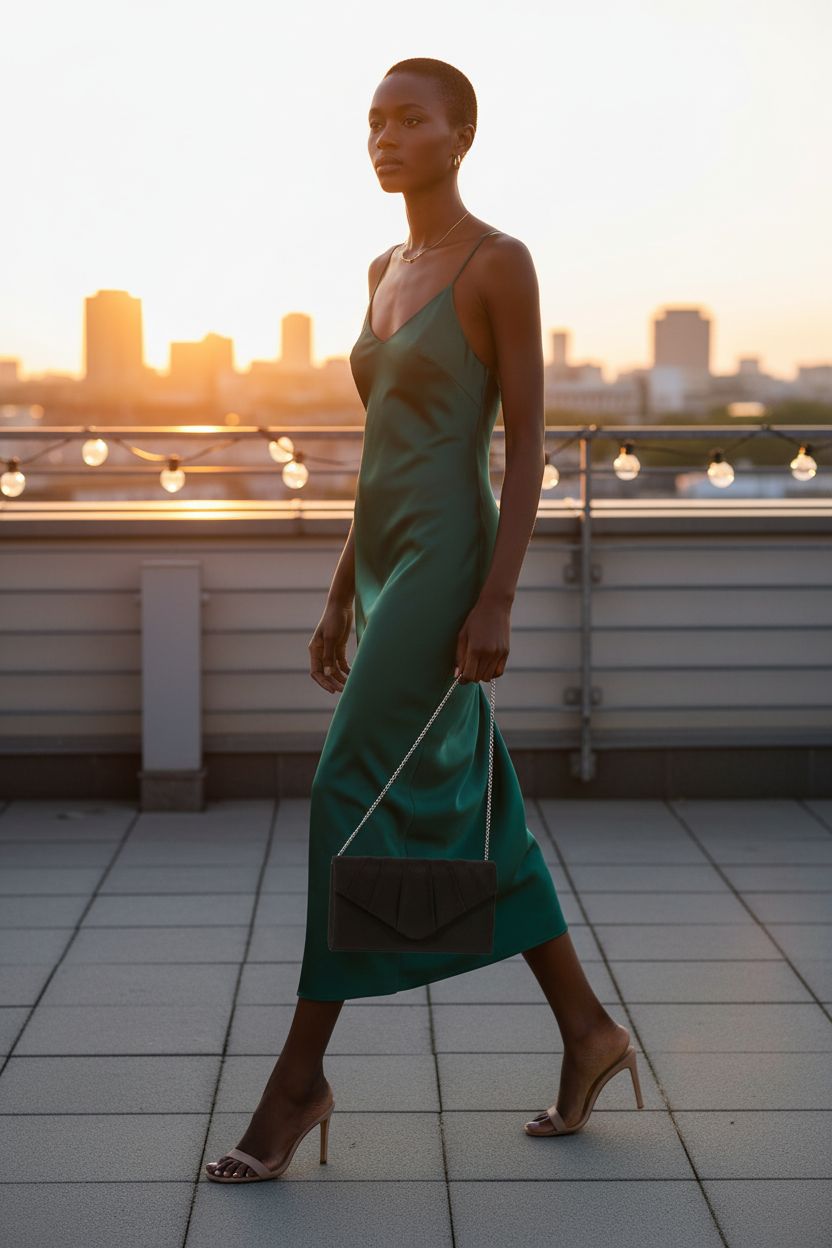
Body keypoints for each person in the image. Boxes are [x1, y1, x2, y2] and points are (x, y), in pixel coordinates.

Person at [206, 56, 640, 1184]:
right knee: (475, 804)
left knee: (346, 786)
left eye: (411, 120)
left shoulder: (499, 264)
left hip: (452, 555)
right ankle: (589, 1032)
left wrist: (496, 594)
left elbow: (527, 445)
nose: (386, 137)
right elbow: (381, 445)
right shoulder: (382, 266)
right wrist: (341, 584)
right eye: (373, 121)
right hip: (390, 555)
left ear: (463, 135)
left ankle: (297, 1083)